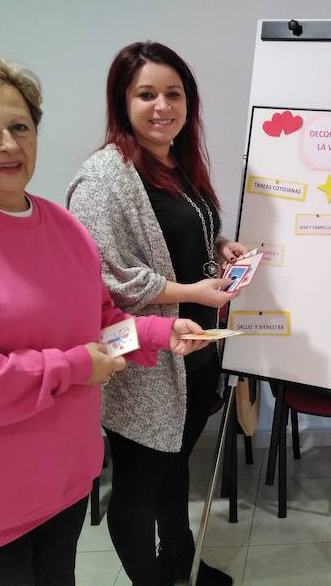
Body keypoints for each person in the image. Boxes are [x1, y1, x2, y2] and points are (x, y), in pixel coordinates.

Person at [0, 57, 208, 586]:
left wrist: (160, 332)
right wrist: (70, 368)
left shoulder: (64, 227)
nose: (9, 145)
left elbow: (102, 325)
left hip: (63, 485)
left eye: (20, 127)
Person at [67, 41, 243, 586]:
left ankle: (181, 564)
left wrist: (221, 247)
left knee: (174, 468)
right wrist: (191, 287)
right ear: (122, 102)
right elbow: (104, 278)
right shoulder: (104, 179)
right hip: (143, 358)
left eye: (174, 94)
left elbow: (179, 234)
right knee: (139, 488)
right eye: (146, 94)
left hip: (192, 351)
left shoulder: (176, 162)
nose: (162, 106)